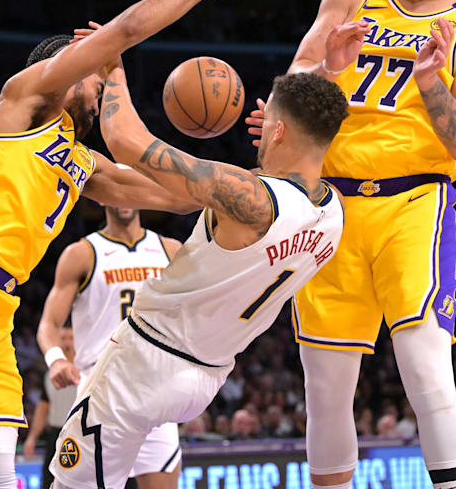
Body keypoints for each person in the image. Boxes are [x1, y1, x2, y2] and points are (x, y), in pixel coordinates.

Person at [0, 0, 246, 489]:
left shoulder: (81, 161)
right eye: (91, 68)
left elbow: (176, 194)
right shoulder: (23, 102)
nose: (100, 76)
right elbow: (125, 31)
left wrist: (258, 185)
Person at [280, 0, 456, 489]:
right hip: (330, 205)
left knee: (427, 368)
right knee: (325, 385)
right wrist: (328, 66)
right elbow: (293, 83)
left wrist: (431, 84)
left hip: (413, 202)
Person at [48, 65, 349, 489]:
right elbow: (282, 185)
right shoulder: (334, 212)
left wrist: (115, 69)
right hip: (207, 375)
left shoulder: (248, 196)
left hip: (144, 361)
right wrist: (282, 139)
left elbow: (126, 142)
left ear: (278, 131)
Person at [37, 207, 183, 488]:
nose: (124, 199)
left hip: (156, 384)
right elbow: (50, 323)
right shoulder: (83, 253)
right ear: (104, 197)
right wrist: (56, 359)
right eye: (118, 190)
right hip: (102, 384)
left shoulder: (170, 250)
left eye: (131, 189)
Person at [22, 327, 78, 489]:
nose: (67, 342)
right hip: (55, 435)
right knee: (48, 483)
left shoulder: (89, 369)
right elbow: (43, 408)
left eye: (70, 337)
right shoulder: (50, 374)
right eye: (63, 338)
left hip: (80, 434)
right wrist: (32, 438)